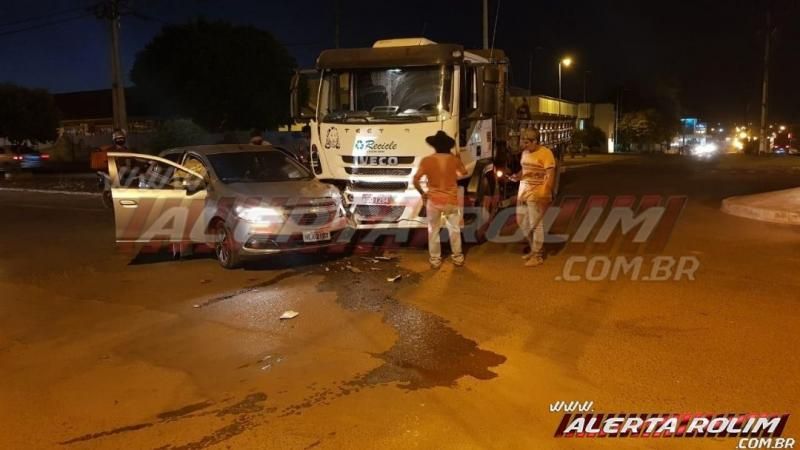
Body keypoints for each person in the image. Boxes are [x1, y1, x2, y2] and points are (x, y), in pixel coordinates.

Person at [413, 130, 468, 269]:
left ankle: (435, 260)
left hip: (434, 200)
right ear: (448, 146)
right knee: (454, 229)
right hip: (451, 200)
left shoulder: (427, 160)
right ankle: (458, 257)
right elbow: (464, 173)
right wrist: (458, 159)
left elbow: (415, 179)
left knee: (433, 231)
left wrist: (422, 193)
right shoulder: (453, 160)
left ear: (434, 146)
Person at [511, 128, 556, 267]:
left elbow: (550, 175)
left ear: (535, 141)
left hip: (537, 193)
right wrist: (516, 176)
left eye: (526, 142)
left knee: (535, 224)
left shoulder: (546, 154)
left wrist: (545, 192)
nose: (524, 145)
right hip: (523, 191)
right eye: (523, 142)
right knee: (521, 221)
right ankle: (535, 248)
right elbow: (525, 170)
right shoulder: (525, 153)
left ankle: (538, 255)